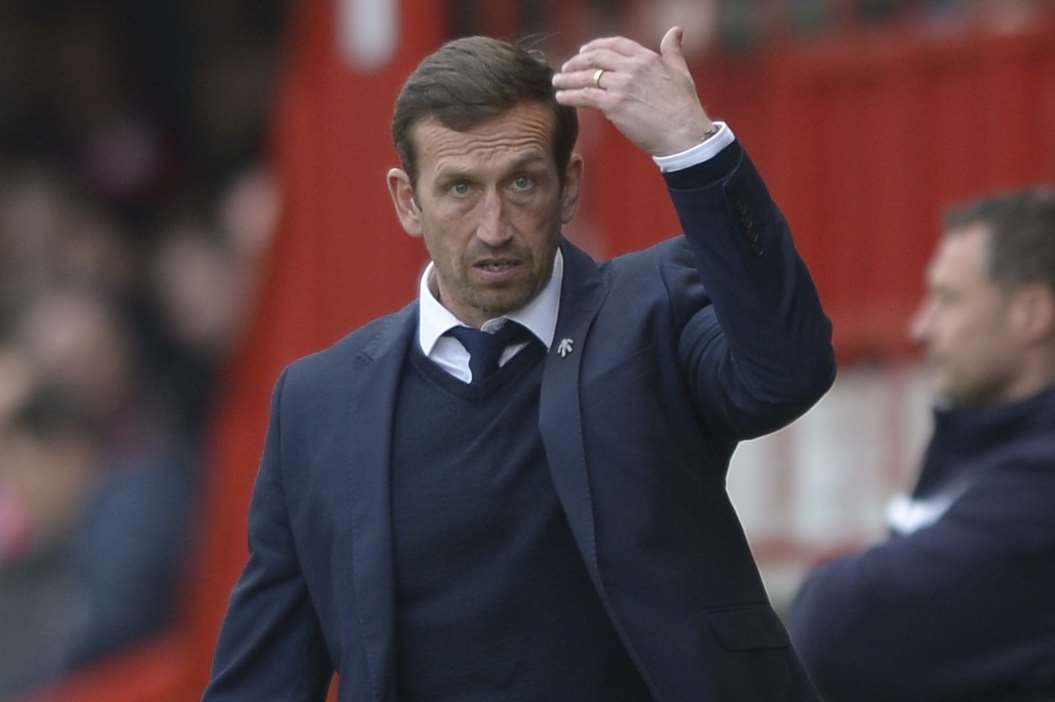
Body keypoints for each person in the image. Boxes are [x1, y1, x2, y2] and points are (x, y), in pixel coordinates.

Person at [203, 29, 835, 702]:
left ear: (568, 189)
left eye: (522, 183)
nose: (494, 227)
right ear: (407, 201)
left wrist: (693, 146)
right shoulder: (317, 403)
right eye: (459, 190)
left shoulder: (654, 309)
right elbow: (263, 677)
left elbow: (785, 370)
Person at [790, 188, 1055, 700]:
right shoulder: (978, 446)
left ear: (1031, 312)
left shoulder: (1041, 484)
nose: (921, 327)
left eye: (948, 299)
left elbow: (835, 628)